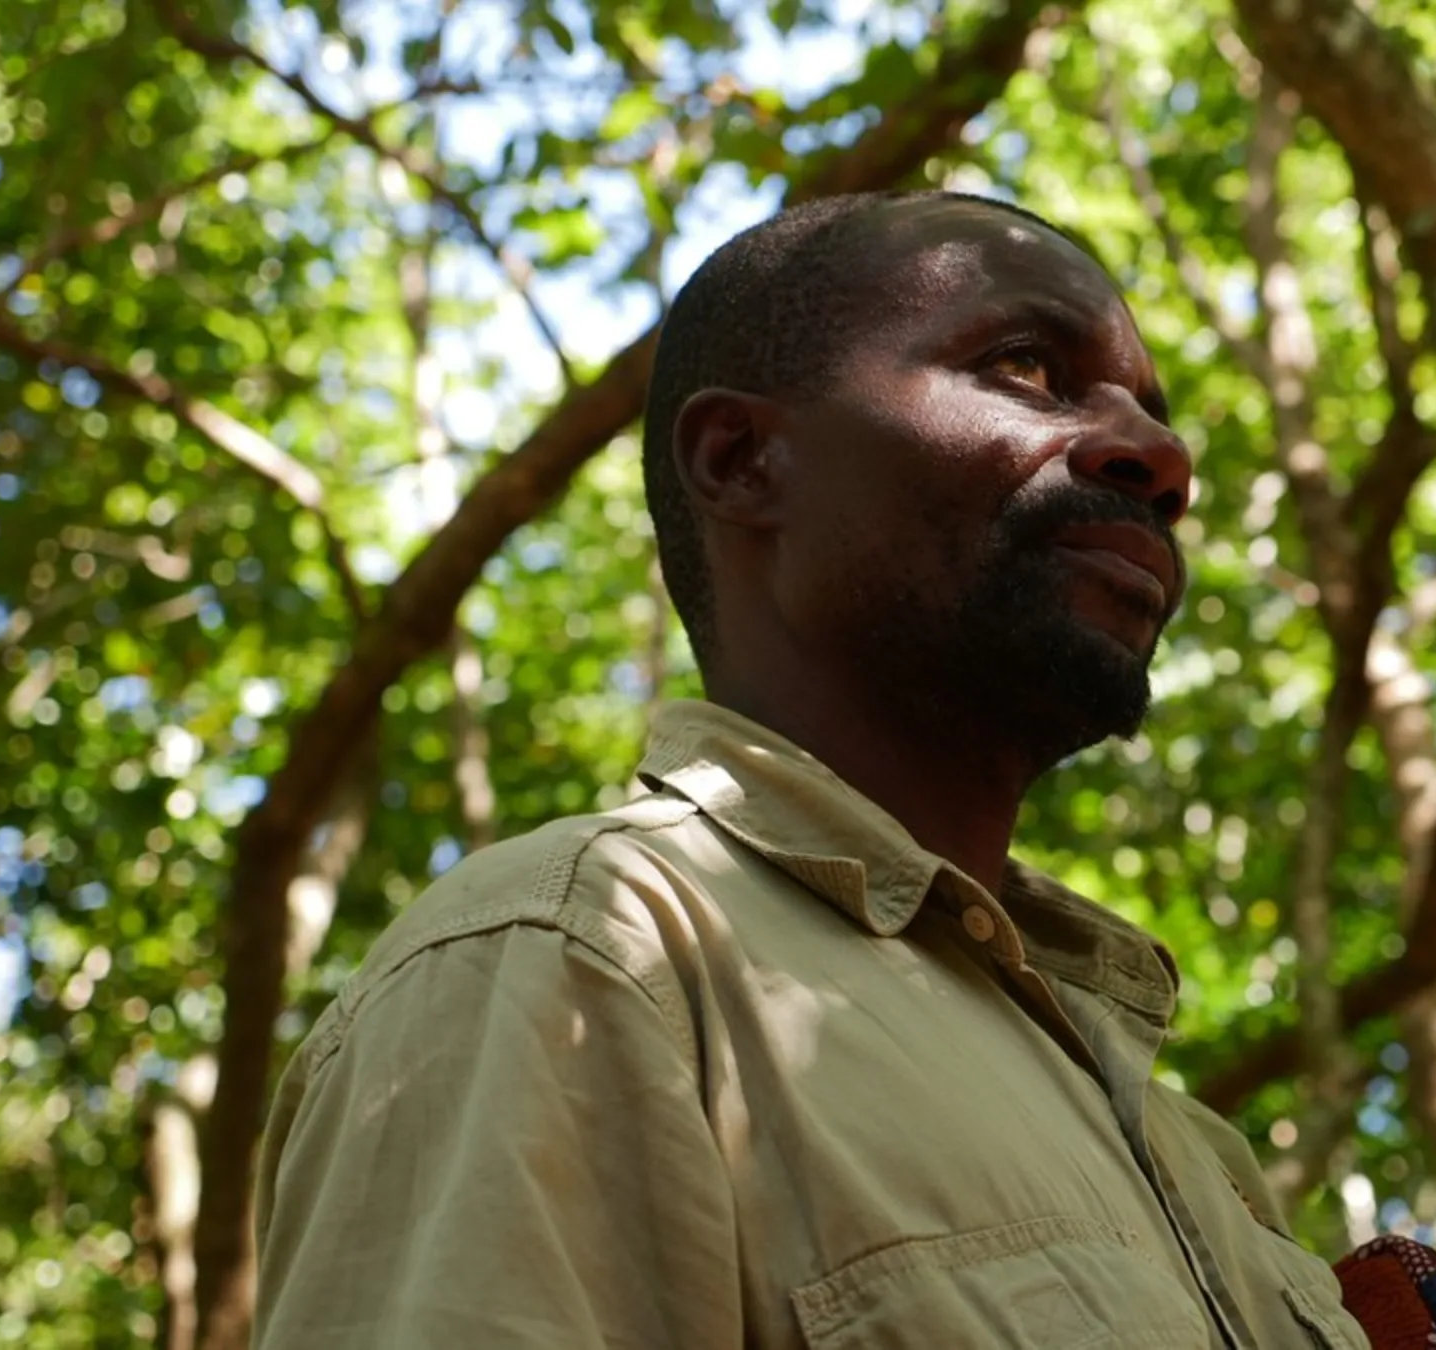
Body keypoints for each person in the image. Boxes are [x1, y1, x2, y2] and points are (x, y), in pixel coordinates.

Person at [250, 190, 1376, 1349]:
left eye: (1151, 410)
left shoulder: (1204, 1162)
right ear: (742, 462)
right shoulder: (581, 956)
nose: (1161, 457)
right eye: (1028, 367)